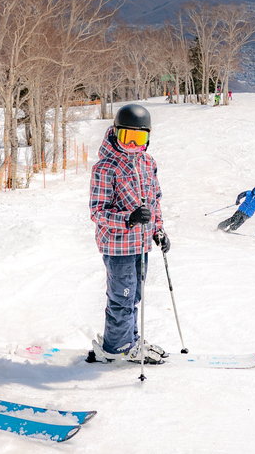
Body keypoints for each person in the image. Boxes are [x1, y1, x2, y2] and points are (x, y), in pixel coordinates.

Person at [86, 103, 170, 364]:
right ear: (115, 132)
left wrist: (157, 230)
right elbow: (97, 211)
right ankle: (116, 346)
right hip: (118, 245)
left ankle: (128, 339)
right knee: (122, 298)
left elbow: (154, 200)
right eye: (127, 137)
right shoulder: (105, 167)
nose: (132, 144)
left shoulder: (148, 163)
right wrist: (129, 219)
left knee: (133, 295)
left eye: (139, 138)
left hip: (142, 244)